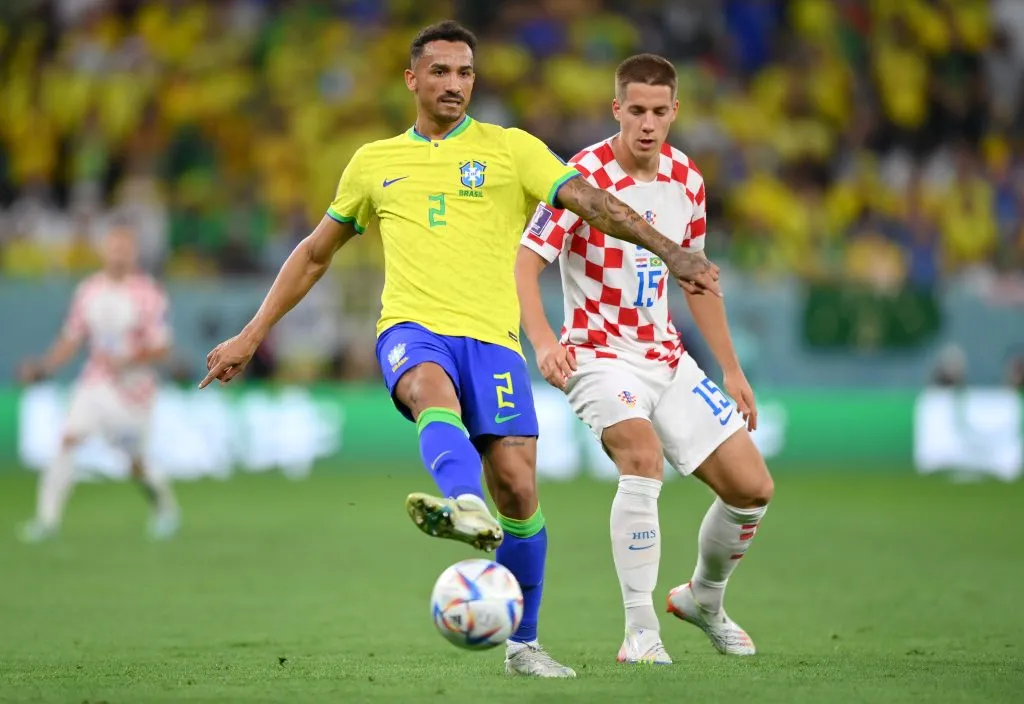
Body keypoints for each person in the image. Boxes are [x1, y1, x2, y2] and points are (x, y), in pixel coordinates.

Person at [199, 22, 720, 678]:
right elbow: (313, 254)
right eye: (440, 71)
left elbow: (592, 202)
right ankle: (459, 500)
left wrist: (670, 250)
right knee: (426, 389)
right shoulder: (374, 161)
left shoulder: (510, 150)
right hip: (413, 327)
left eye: (465, 73)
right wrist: (251, 336)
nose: (454, 84)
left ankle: (523, 645)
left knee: (520, 488)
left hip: (495, 341)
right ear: (413, 79)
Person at [515, 54, 774, 665]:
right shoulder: (581, 175)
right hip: (597, 354)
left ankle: (703, 599)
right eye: (636, 111)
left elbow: (697, 277)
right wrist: (544, 341)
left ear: (675, 112)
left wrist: (731, 370)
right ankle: (640, 632)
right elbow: (527, 261)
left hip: (667, 357)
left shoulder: (687, 179)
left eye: (660, 111)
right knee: (642, 455)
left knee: (751, 489)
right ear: (617, 110)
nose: (648, 123)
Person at [17, 221, 179, 542]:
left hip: (134, 391)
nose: (118, 254)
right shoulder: (89, 290)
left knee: (135, 464)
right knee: (68, 439)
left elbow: (162, 346)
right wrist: (44, 366)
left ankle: (164, 507)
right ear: (104, 250)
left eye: (125, 248)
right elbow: (72, 338)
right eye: (113, 247)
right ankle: (46, 520)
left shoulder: (148, 294)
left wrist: (130, 358)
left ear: (133, 253)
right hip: (95, 381)